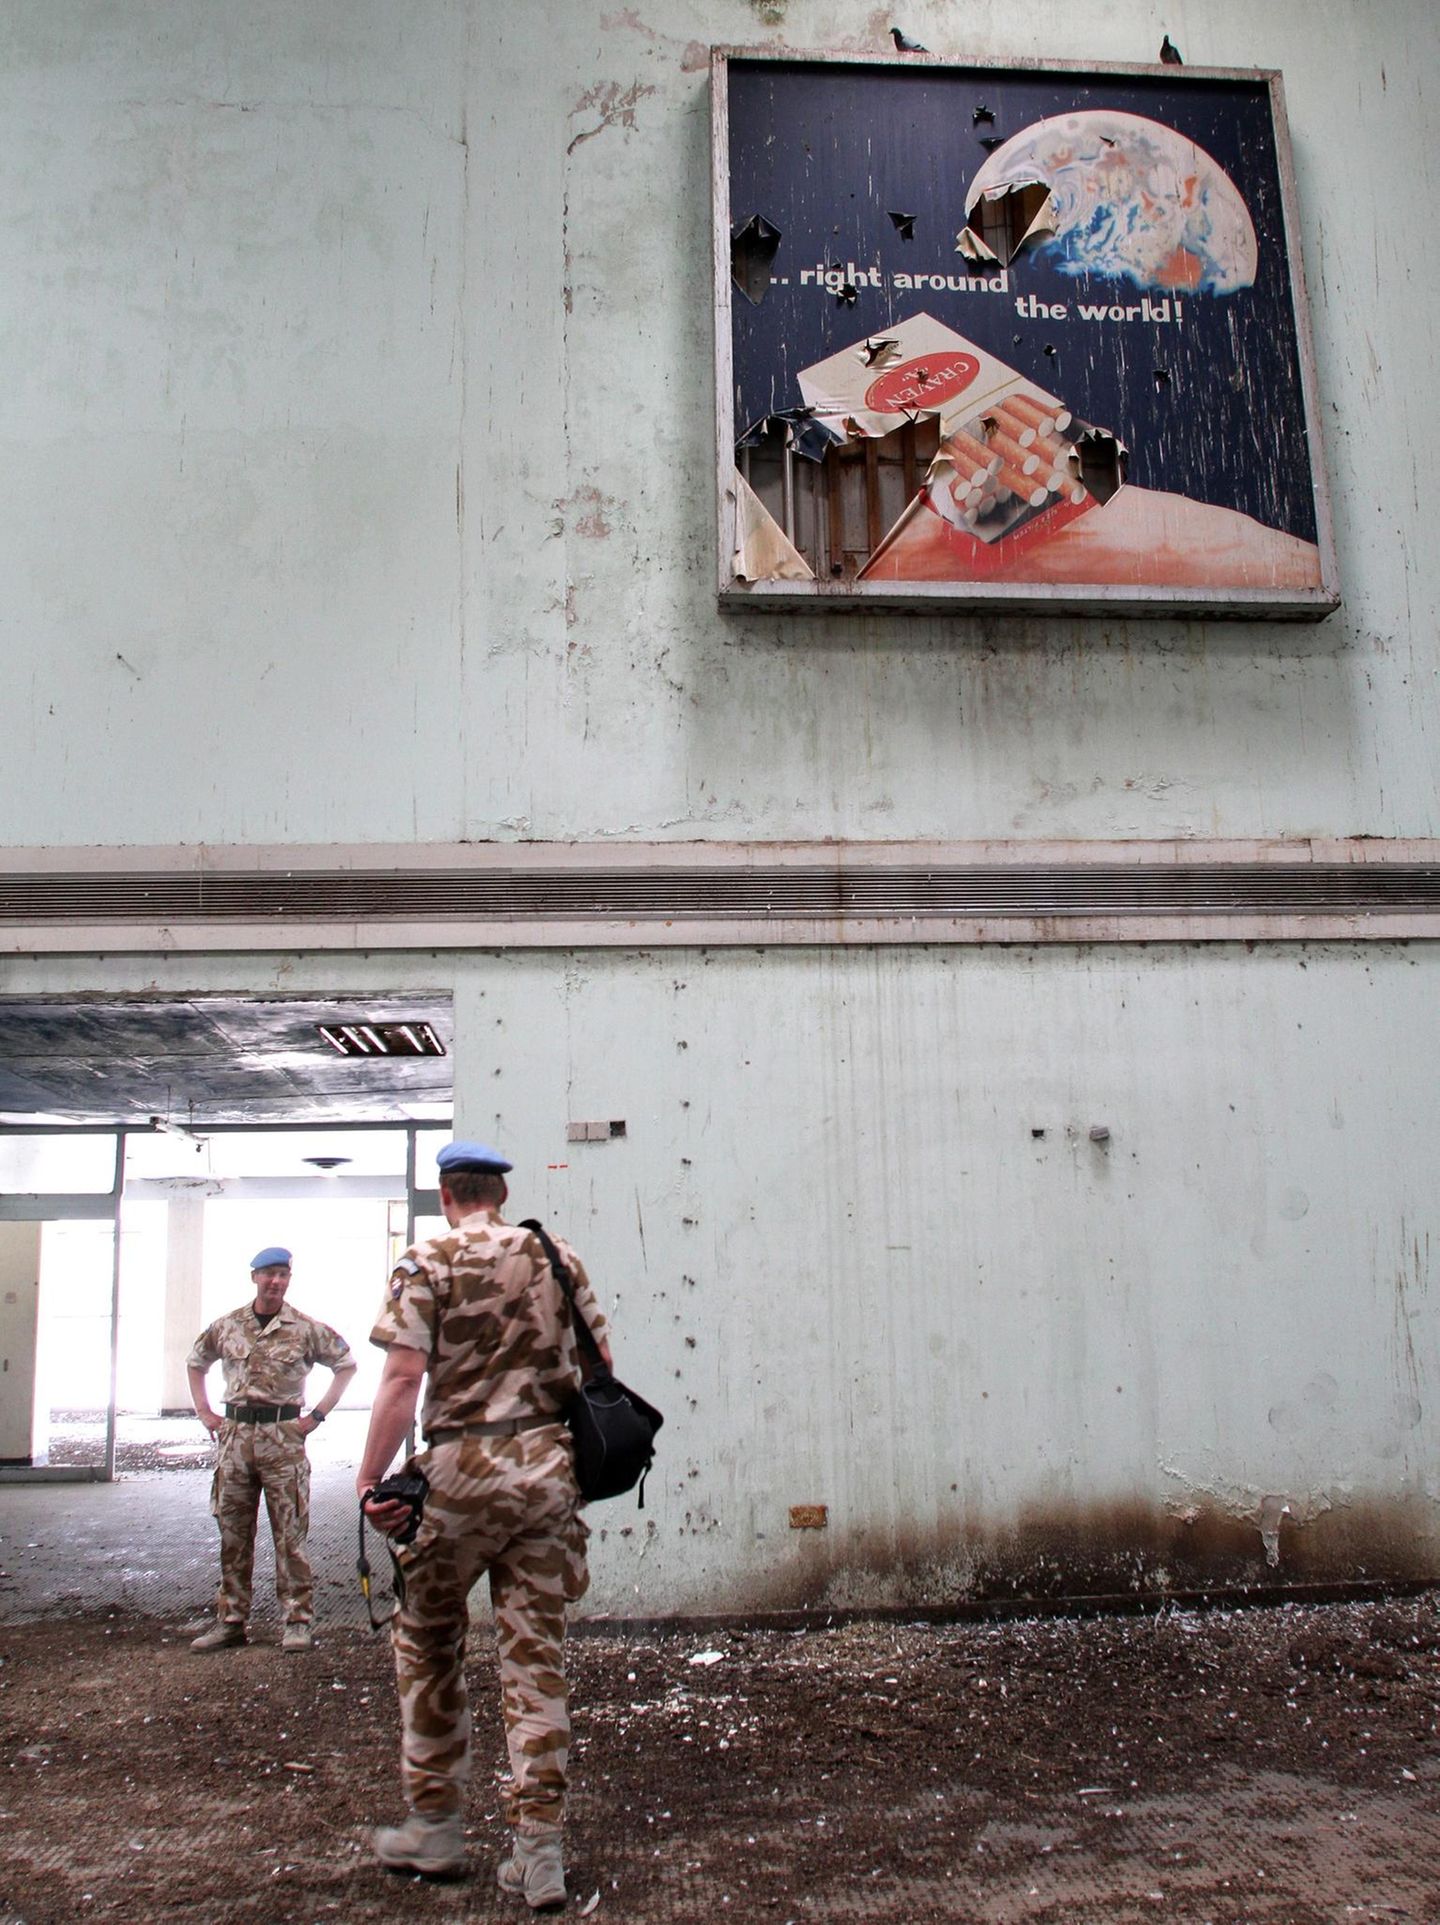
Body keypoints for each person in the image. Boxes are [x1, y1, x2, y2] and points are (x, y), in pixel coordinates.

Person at [358, 1139, 611, 1908]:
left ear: (446, 1195)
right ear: (501, 1191)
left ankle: (434, 1828)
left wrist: (371, 1478)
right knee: (533, 1657)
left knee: (429, 1639)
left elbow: (403, 1377)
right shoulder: (554, 1254)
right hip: (545, 1474)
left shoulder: (425, 1261)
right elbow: (601, 1359)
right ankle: (539, 1852)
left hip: (459, 1476)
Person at [187, 1245, 356, 1653]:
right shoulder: (228, 1326)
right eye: (268, 1274)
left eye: (282, 1275)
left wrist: (315, 1417)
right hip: (236, 1438)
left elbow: (346, 1365)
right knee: (233, 1534)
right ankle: (230, 1621)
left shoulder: (304, 1328)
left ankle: (297, 1620)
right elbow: (197, 1362)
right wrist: (206, 1413)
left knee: (290, 1535)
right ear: (255, 1278)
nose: (275, 1281)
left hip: (283, 1439)